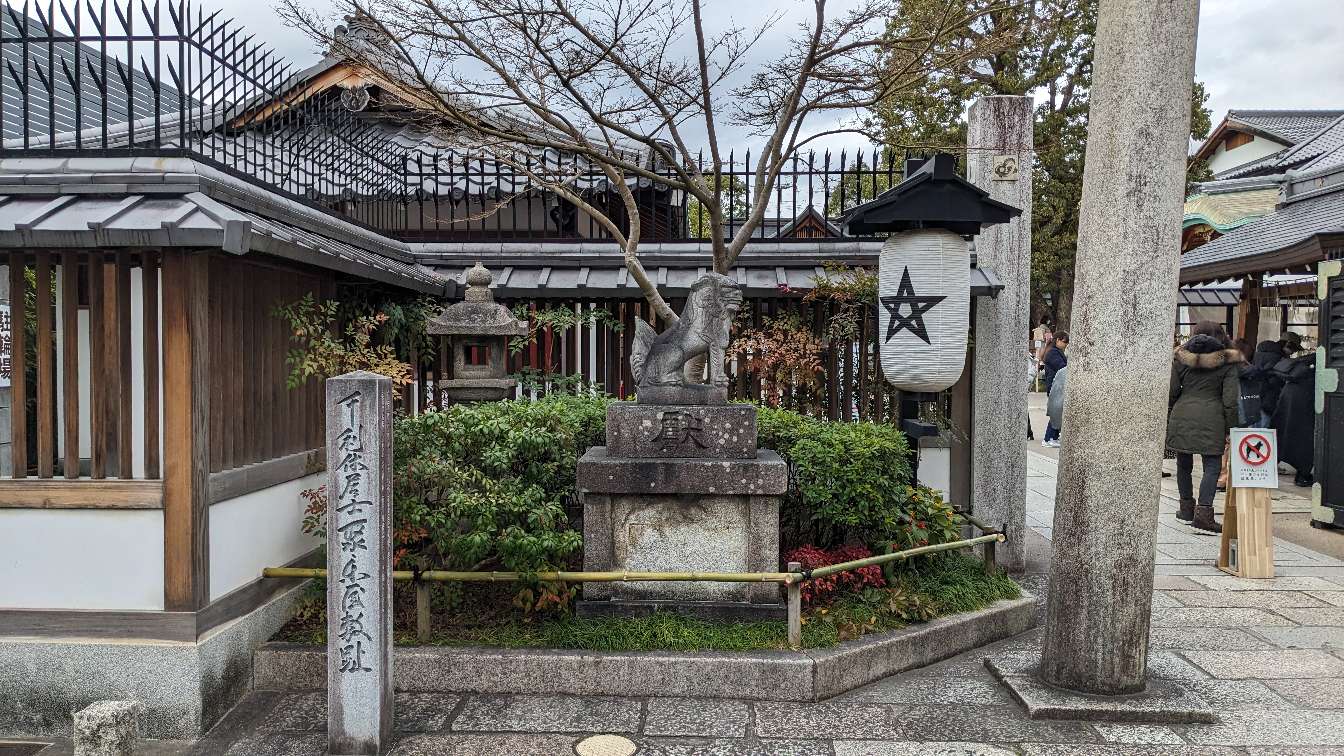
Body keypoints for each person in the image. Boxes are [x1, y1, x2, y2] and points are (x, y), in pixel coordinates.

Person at [1167, 321, 1243, 534]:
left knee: (1183, 464)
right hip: (1213, 417)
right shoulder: (1227, 362)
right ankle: (1204, 513)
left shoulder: (1180, 358)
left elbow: (1172, 391)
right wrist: (1232, 427)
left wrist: (1175, 410)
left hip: (1182, 414)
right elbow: (1230, 400)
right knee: (1212, 466)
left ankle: (1186, 509)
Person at [1271, 347, 1316, 487]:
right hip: (1303, 411)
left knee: (1282, 438)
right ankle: (1303, 475)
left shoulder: (1297, 374)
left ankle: (1267, 469)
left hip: (1288, 410)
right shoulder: (1311, 374)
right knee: (1303, 440)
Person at [1041, 331, 1068, 448]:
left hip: (1057, 386)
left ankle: (1054, 437)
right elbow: (1061, 367)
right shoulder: (1053, 353)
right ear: (1058, 340)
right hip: (1054, 386)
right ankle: (1048, 438)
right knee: (1055, 412)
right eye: (1065, 341)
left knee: (1057, 412)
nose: (1066, 344)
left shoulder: (1056, 351)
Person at [1046, 365, 1067, 450]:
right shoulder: (1063, 371)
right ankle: (1048, 438)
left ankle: (1050, 438)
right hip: (1059, 400)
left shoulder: (1062, 371)